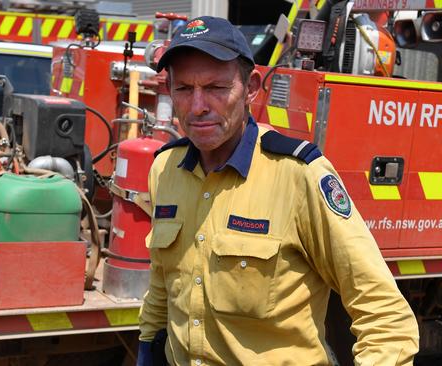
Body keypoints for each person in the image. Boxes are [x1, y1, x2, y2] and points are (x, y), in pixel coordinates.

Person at [137, 16, 419, 366]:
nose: (198, 107)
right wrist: (147, 350)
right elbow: (163, 288)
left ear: (251, 87)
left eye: (216, 88)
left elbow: (385, 316)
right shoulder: (164, 170)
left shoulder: (297, 175)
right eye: (184, 89)